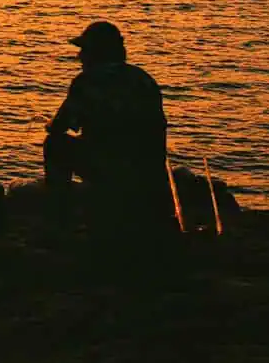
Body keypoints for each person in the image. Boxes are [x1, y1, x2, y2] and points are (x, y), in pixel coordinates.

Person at [43, 21, 173, 237]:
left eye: (84, 50)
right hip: (149, 175)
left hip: (111, 170)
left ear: (96, 53)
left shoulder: (87, 82)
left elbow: (59, 127)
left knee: (55, 145)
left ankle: (60, 220)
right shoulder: (143, 80)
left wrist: (50, 125)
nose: (80, 57)